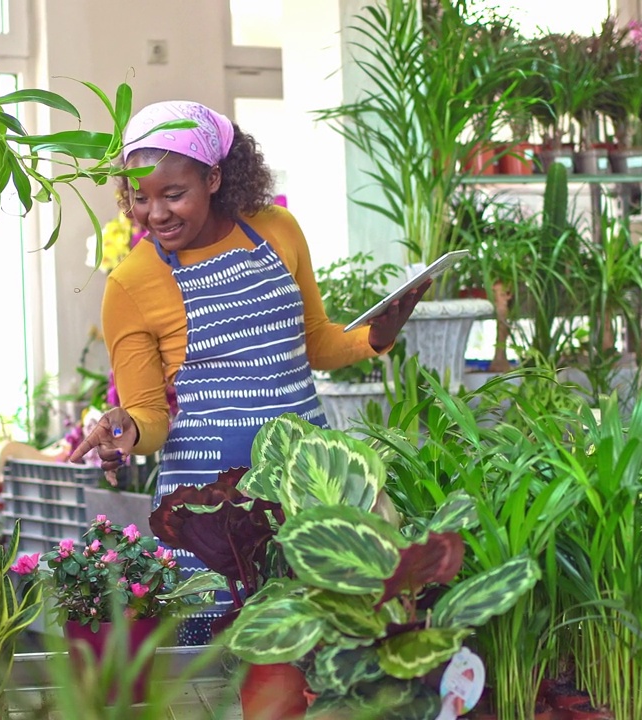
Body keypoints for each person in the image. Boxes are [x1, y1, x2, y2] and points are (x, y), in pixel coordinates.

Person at [69, 100, 426, 644]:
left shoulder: (277, 229)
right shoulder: (131, 283)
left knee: (323, 640)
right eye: (140, 198)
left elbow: (316, 343)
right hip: (212, 510)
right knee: (218, 653)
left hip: (304, 483)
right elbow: (148, 416)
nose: (155, 214)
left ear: (214, 178)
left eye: (173, 194)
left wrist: (374, 338)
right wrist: (126, 430)